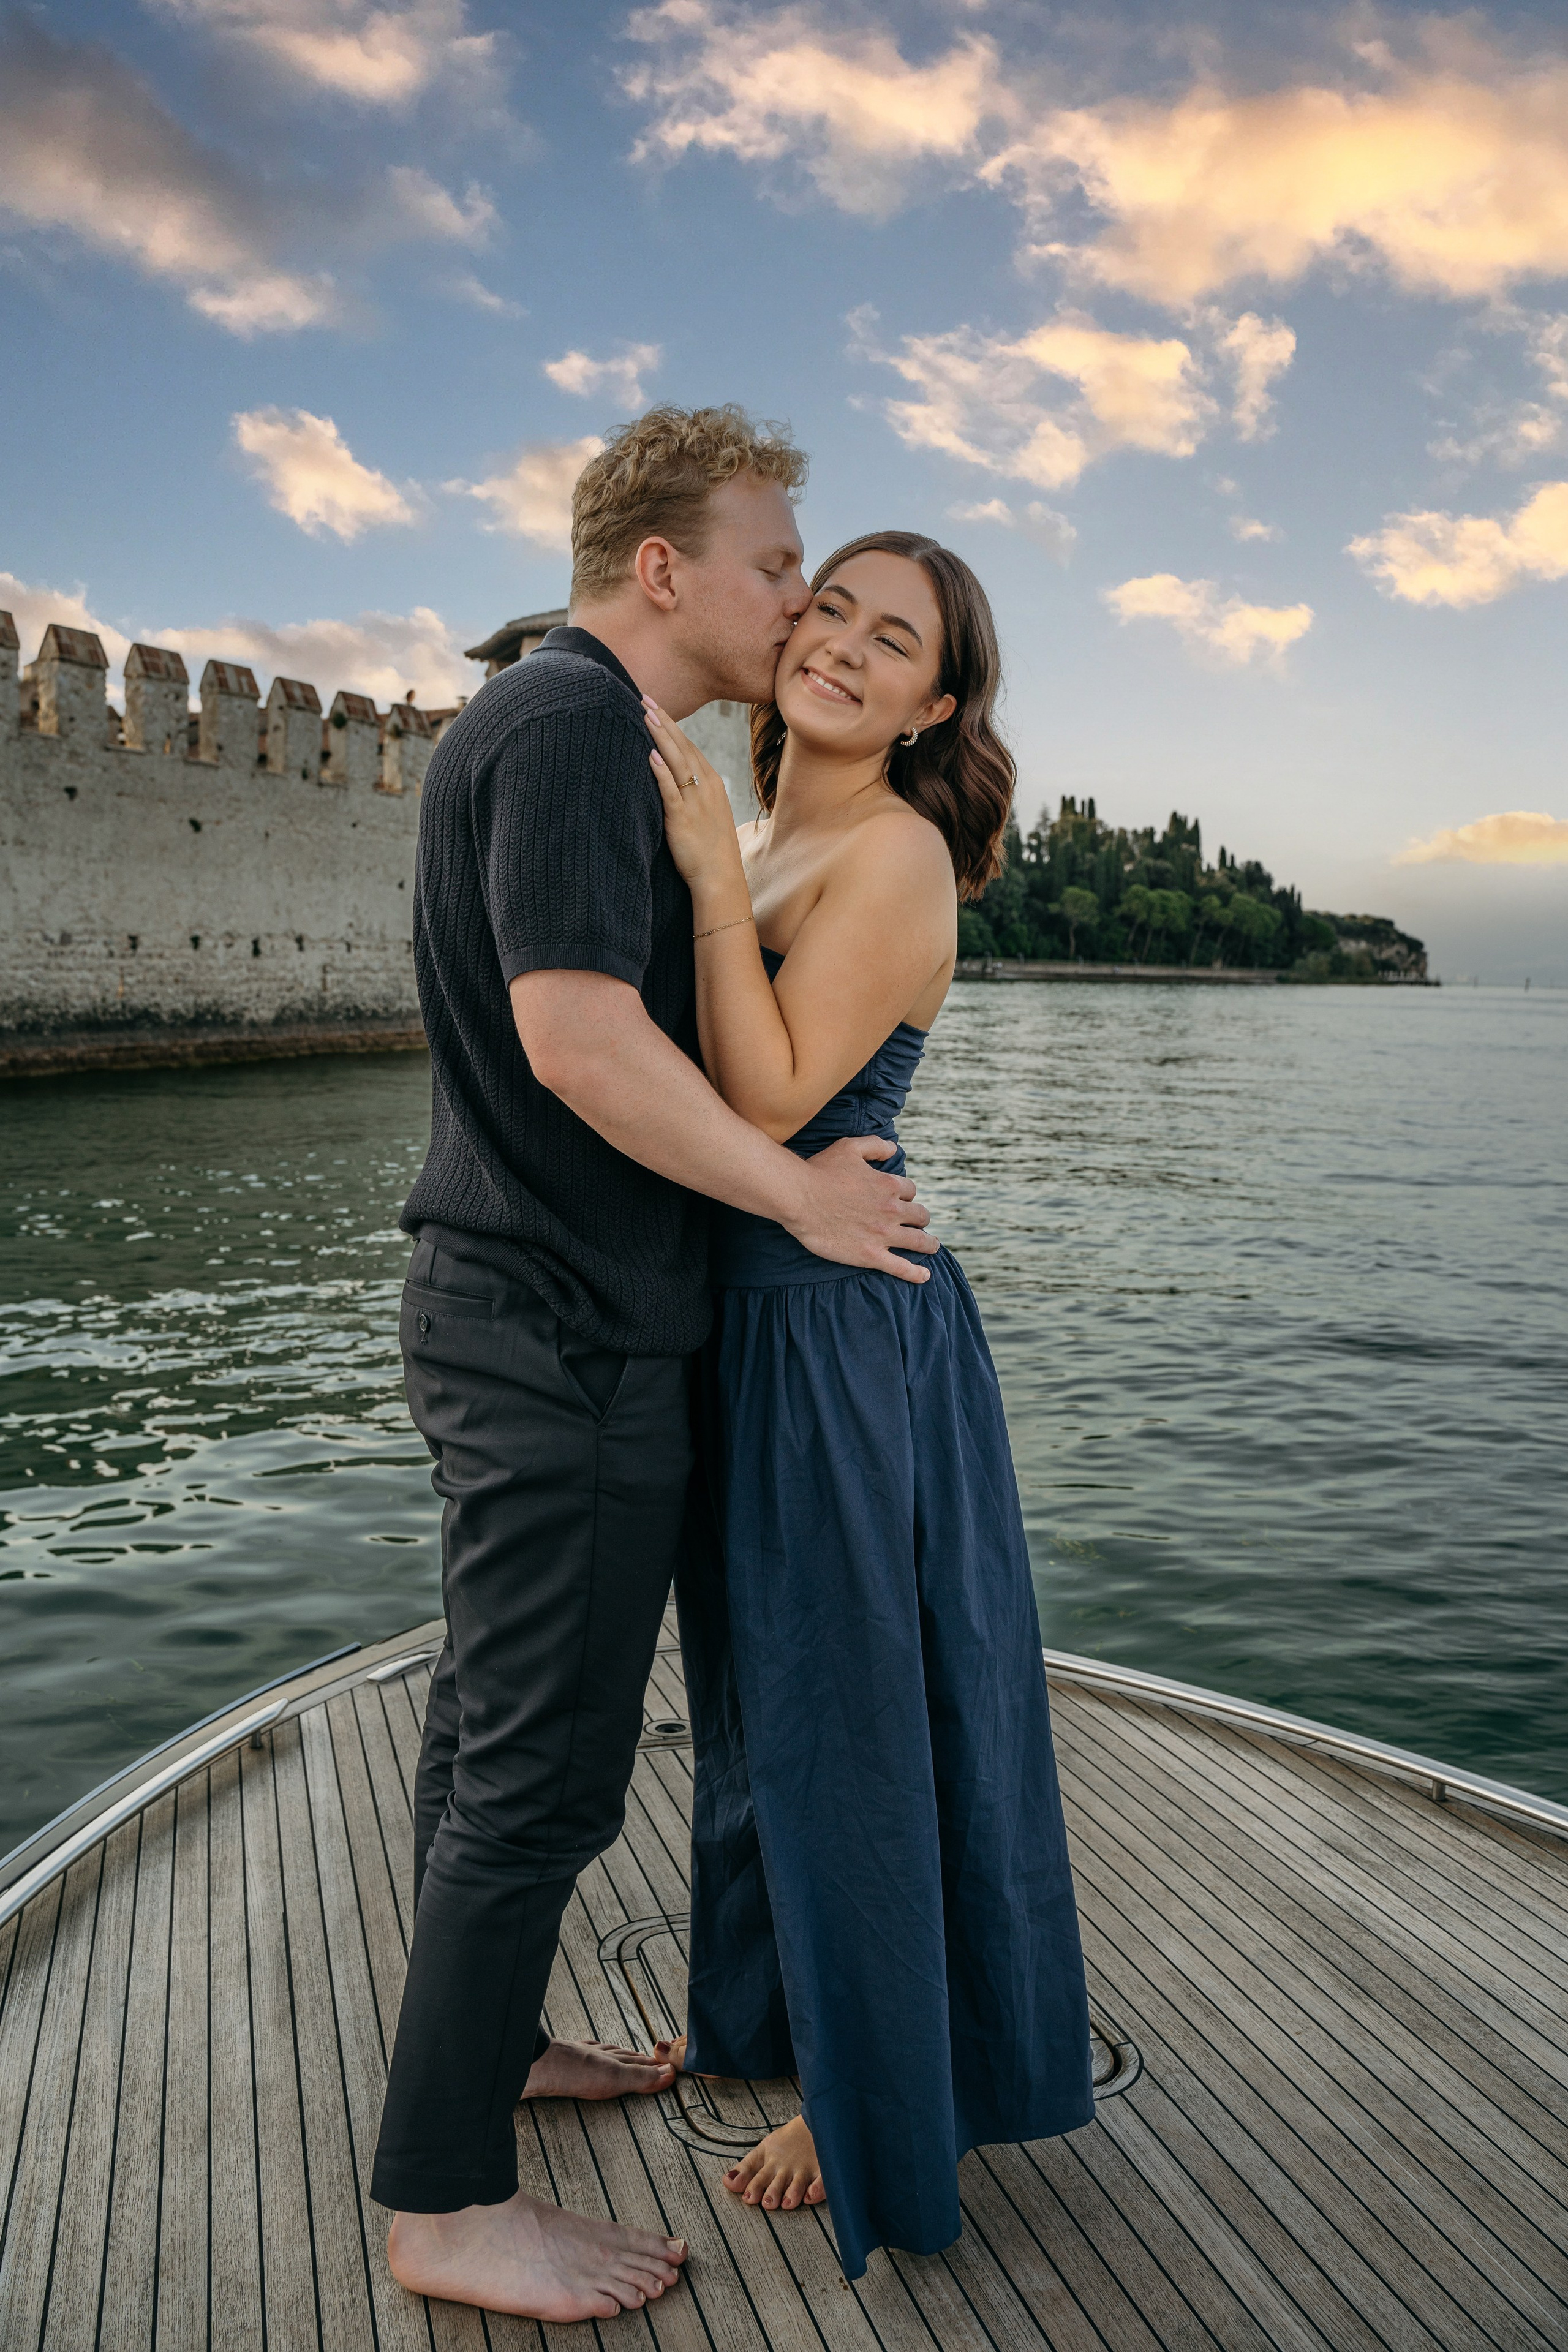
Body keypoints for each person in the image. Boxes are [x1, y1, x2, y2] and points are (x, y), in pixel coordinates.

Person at [372, 412, 940, 2323]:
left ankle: (496, 2045)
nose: (798, 601)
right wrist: (800, 1195)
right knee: (543, 1767)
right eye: (782, 564)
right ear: (665, 569)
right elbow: (583, 1048)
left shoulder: (578, 736)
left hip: (531, 1310)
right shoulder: (564, 729)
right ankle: (445, 2202)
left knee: (487, 1719)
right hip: (565, 1329)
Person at [641, 531, 1096, 2281]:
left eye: (888, 638)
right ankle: (778, 2022)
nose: (837, 645)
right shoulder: (786, 833)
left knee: (849, 1730)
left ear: (936, 700)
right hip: (756, 1319)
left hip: (836, 1329)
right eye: (827, 606)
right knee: (765, 1712)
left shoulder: (894, 854)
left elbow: (761, 1098)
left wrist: (694, 866)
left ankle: (867, 2101)